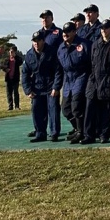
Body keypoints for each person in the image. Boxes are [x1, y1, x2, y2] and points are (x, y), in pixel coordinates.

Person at [54, 21, 92, 143]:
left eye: (68, 32)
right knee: (65, 108)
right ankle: (78, 129)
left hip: (81, 76)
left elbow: (91, 63)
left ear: (74, 32)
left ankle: (82, 132)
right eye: (64, 32)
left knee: (77, 106)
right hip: (68, 79)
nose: (65, 34)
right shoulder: (61, 48)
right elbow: (59, 67)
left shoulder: (84, 44)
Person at [83, 18, 110, 144]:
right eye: (102, 28)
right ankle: (89, 135)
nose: (103, 31)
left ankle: (104, 135)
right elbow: (92, 63)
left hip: (107, 79)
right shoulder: (95, 44)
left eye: (106, 28)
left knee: (106, 110)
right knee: (90, 108)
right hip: (94, 79)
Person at [21, 32, 59, 142]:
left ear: (43, 41)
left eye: (38, 40)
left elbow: (57, 71)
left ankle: (54, 133)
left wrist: (56, 87)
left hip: (50, 87)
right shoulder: (29, 55)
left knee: (53, 110)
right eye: (34, 41)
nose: (36, 43)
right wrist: (28, 90)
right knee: (37, 111)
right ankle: (40, 133)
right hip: (36, 88)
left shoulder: (52, 52)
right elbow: (25, 74)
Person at [38, 10, 63, 140]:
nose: (45, 19)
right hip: (40, 75)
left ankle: (54, 131)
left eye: (47, 17)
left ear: (52, 18)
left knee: (53, 104)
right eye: (43, 18)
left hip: (54, 71)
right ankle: (40, 130)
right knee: (40, 105)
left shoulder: (58, 33)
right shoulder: (38, 34)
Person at [4, 45, 22, 110]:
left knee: (16, 92)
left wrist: (15, 57)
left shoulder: (18, 59)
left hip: (15, 78)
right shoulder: (7, 59)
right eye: (10, 51)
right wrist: (6, 69)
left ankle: (17, 106)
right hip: (8, 78)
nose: (11, 53)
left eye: (12, 51)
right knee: (9, 93)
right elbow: (3, 66)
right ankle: (10, 106)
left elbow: (20, 62)